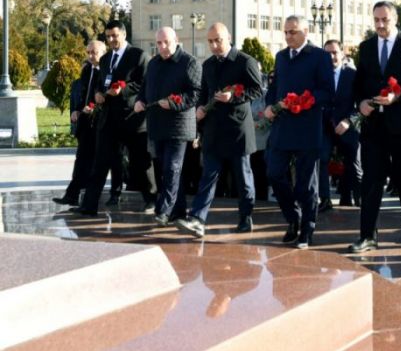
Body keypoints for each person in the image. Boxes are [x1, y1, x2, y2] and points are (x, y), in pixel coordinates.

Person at [349, 1, 401, 253]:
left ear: (395, 19)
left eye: (385, 20)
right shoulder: (366, 47)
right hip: (374, 126)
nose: (380, 25)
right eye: (376, 20)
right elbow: (359, 82)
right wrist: (360, 102)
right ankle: (368, 236)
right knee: (371, 180)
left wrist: (398, 97)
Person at [175, 23, 262, 237]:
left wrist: (234, 97)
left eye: (218, 40)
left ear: (229, 38)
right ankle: (197, 218)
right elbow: (204, 94)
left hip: (237, 129)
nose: (214, 45)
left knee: (243, 177)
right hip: (214, 129)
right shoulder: (208, 65)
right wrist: (200, 112)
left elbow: (257, 89)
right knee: (208, 175)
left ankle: (245, 217)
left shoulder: (245, 61)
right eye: (210, 41)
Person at [264, 15, 334, 249]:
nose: (288, 36)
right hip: (282, 126)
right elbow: (274, 87)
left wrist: (306, 101)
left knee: (306, 184)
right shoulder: (281, 56)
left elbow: (327, 91)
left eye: (292, 32)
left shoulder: (320, 56)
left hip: (307, 127)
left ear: (306, 31)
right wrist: (270, 106)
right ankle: (292, 218)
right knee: (274, 173)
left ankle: (307, 228)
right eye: (285, 32)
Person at [75, 20, 157, 216]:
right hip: (108, 119)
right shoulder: (105, 59)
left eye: (114, 36)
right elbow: (101, 84)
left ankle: (152, 200)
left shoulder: (139, 56)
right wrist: (98, 94)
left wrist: (123, 90)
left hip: (132, 119)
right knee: (100, 162)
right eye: (108, 36)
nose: (111, 40)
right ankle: (89, 205)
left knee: (141, 163)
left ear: (124, 34)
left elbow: (144, 84)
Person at [134, 27, 201, 226]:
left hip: (179, 126)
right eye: (159, 43)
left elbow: (196, 93)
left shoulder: (189, 62)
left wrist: (174, 103)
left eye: (166, 42)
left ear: (176, 40)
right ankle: (178, 212)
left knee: (172, 167)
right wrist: (139, 101)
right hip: (157, 124)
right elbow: (145, 88)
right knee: (167, 169)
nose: (162, 47)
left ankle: (163, 210)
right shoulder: (153, 63)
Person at [53, 41, 108, 206]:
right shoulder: (87, 70)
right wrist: (76, 111)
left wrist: (95, 108)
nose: (91, 56)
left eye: (95, 52)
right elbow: (82, 94)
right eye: (89, 52)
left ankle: (96, 197)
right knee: (81, 160)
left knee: (97, 163)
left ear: (104, 53)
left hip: (100, 123)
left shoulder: (107, 71)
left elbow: (107, 97)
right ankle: (72, 195)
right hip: (85, 123)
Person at [319, 39, 361, 209]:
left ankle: (359, 200)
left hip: (348, 126)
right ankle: (325, 200)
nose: (331, 56)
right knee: (321, 159)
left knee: (354, 164)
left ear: (342, 54)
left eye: (335, 52)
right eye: (327, 53)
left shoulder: (352, 75)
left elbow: (362, 105)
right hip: (325, 127)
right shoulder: (319, 76)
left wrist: (348, 121)